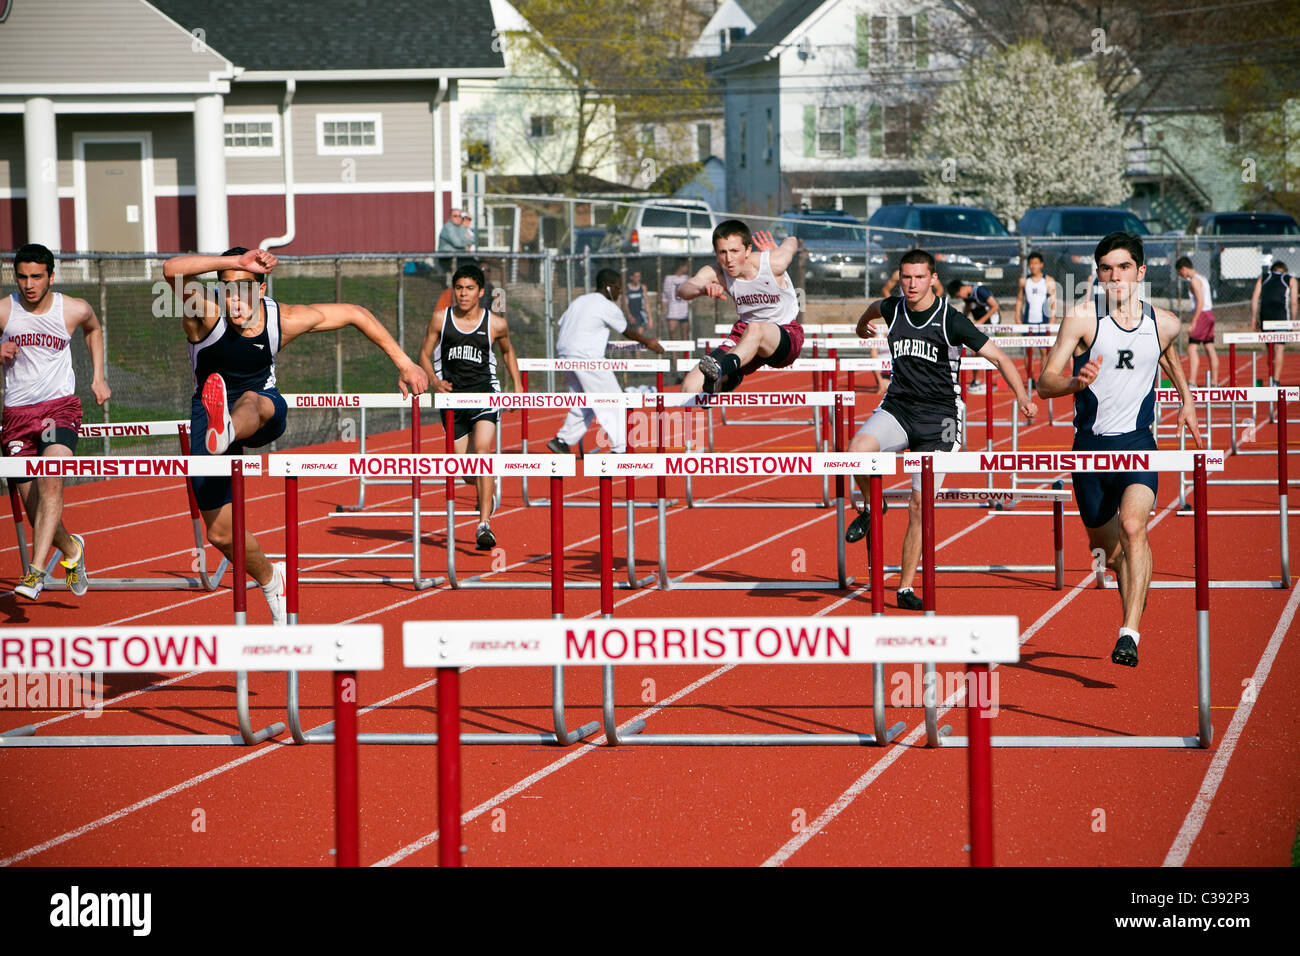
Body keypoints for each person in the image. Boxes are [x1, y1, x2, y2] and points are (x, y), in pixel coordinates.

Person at [162, 247, 428, 624]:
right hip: (207, 415)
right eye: (228, 291)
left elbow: (355, 313)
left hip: (262, 410)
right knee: (220, 533)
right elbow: (171, 270)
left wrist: (404, 362)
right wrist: (235, 265)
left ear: (263, 287)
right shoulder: (205, 313)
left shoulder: (281, 319)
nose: (235, 301)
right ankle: (273, 581)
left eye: (245, 290)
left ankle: (230, 428)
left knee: (253, 400)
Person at [1036, 232, 1201, 667]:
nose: (1115, 276)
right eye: (1106, 268)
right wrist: (1074, 382)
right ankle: (1135, 587)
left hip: (1138, 444)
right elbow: (1044, 382)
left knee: (1133, 527)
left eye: (1124, 267)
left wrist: (1187, 399)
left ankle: (1129, 632)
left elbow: (1165, 354)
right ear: (1098, 274)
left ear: (1141, 272)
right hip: (1089, 451)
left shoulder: (1165, 322)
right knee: (1110, 555)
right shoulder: (1082, 320)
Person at [846, 249, 1037, 611]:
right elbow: (872, 308)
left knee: (920, 504)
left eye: (919, 277)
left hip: (941, 418)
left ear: (932, 278)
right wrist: (860, 327)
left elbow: (997, 356)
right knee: (856, 454)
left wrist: (1023, 396)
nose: (912, 284)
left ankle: (904, 588)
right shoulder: (892, 308)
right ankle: (874, 506)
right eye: (906, 277)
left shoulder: (950, 320)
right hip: (899, 408)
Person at [1, 243, 110, 600]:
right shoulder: (5, 311)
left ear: (51, 276)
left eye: (36, 277)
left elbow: (94, 330)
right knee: (36, 509)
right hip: (17, 414)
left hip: (58, 408)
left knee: (52, 478)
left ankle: (35, 572)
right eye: (22, 277)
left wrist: (98, 376)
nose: (28, 284)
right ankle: (73, 550)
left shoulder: (74, 309)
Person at [417, 263, 522, 550]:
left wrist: (517, 386)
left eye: (469, 289)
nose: (463, 294)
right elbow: (424, 355)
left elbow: (508, 352)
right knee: (466, 471)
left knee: (483, 453)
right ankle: (487, 488)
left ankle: (484, 524)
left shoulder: (495, 323)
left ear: (481, 292)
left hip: (485, 395)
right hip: (453, 400)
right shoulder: (440, 319)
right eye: (459, 288)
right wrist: (435, 382)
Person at [546, 268, 664, 457]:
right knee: (613, 399)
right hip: (586, 357)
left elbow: (564, 324)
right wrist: (648, 342)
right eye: (618, 288)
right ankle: (620, 447)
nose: (620, 292)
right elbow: (627, 331)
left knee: (584, 399)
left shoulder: (580, 301)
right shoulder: (606, 306)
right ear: (608, 287)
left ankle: (562, 441)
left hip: (564, 354)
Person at [678, 220, 803, 394]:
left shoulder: (774, 262)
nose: (729, 259)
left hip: (784, 336)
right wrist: (702, 289)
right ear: (716, 253)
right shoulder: (717, 272)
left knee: (756, 329)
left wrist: (779, 247)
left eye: (735, 251)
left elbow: (793, 240)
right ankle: (725, 380)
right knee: (689, 388)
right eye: (723, 252)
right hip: (744, 335)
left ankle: (723, 371)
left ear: (748, 250)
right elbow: (683, 289)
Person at [1014, 251, 1058, 387]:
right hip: (1029, 320)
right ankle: (1030, 378)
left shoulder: (1048, 280)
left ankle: (1043, 377)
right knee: (1029, 351)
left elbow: (1053, 301)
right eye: (1031, 264)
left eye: (1036, 263)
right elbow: (1020, 300)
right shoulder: (1024, 281)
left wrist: (1052, 318)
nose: (1033, 266)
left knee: (1044, 351)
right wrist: (1017, 317)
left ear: (1041, 264)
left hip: (1043, 320)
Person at [948, 278, 1000, 390]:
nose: (960, 298)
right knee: (975, 351)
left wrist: (982, 320)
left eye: (958, 295)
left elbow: (995, 306)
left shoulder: (980, 291)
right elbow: (966, 312)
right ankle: (975, 380)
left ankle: (989, 380)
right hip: (980, 326)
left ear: (961, 288)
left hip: (991, 322)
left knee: (988, 352)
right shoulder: (967, 298)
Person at [1251, 261, 1297, 385]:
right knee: (1279, 349)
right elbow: (1293, 302)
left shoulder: (1264, 278)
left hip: (1266, 315)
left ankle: (1271, 376)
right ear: (1284, 270)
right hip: (1281, 315)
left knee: (1270, 349)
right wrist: (1293, 321)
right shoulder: (1290, 279)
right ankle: (1275, 381)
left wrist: (1254, 318)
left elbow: (1255, 298)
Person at [1176, 256, 1218, 385]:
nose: (1180, 275)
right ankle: (1214, 381)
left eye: (1179, 273)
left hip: (1203, 314)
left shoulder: (1194, 281)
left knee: (1191, 348)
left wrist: (1194, 321)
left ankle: (1192, 381)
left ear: (1183, 269)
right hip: (1209, 313)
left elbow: (1200, 301)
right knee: (1209, 346)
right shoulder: (1202, 277)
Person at [662, 260, 692, 341]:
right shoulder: (669, 278)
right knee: (672, 332)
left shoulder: (686, 278)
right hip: (673, 309)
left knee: (685, 334)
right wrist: (663, 308)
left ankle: (686, 353)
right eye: (686, 266)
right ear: (681, 267)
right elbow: (665, 295)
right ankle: (674, 354)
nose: (687, 269)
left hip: (684, 309)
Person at [623, 270, 654, 338]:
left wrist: (650, 319)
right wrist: (629, 315)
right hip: (631, 315)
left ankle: (637, 348)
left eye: (639, 276)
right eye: (636, 276)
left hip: (640, 315)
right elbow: (625, 304)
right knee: (632, 337)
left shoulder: (642, 288)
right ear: (631, 277)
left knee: (639, 336)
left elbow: (646, 303)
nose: (638, 278)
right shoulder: (627, 288)